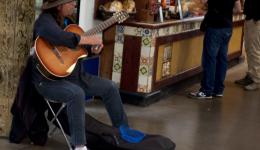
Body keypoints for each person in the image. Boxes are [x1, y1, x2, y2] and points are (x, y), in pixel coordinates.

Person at [32, 0, 128, 149]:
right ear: (59, 5)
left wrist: (92, 50)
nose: (74, 5)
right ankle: (79, 146)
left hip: (75, 77)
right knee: (76, 94)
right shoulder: (45, 21)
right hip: (49, 81)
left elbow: (76, 51)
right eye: (70, 2)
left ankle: (124, 132)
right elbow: (60, 37)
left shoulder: (69, 22)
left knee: (110, 86)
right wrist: (87, 39)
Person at [189, 0, 242, 99]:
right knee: (222, 59)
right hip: (227, 27)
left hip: (215, 27)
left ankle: (207, 90)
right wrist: (225, 13)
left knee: (210, 59)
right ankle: (218, 90)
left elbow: (202, 2)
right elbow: (238, 9)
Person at [234, 0, 260, 91]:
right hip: (250, 17)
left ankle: (257, 80)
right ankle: (251, 76)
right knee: (248, 49)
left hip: (256, 19)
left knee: (254, 50)